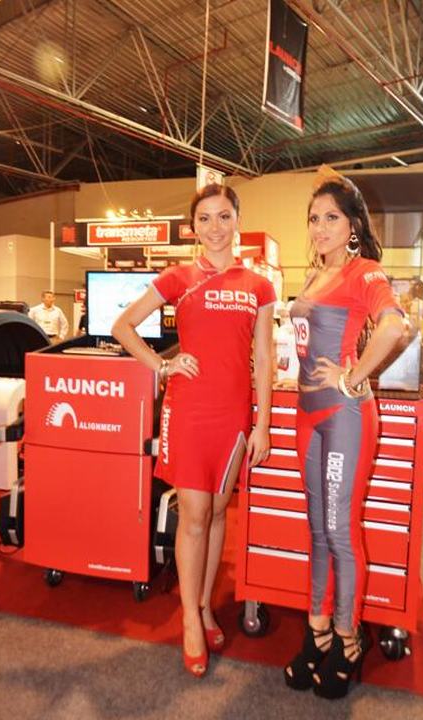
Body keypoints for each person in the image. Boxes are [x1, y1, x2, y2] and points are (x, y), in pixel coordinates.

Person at [111, 184, 276, 677]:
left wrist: (263, 423)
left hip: (234, 416)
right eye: (205, 218)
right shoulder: (178, 277)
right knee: (196, 515)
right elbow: (123, 326)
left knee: (219, 512)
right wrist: (161, 366)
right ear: (193, 227)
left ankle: (204, 607)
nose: (215, 227)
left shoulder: (259, 285)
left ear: (237, 220)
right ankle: (188, 618)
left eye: (224, 216)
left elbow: (264, 356)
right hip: (188, 411)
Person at [285, 168, 406, 699]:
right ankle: (317, 633)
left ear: (353, 225)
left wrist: (353, 377)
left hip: (344, 417)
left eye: (331, 218)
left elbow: (396, 325)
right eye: (314, 219)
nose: (319, 228)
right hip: (306, 415)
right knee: (316, 530)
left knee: (338, 530)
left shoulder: (365, 271)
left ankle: (348, 640)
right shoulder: (314, 276)